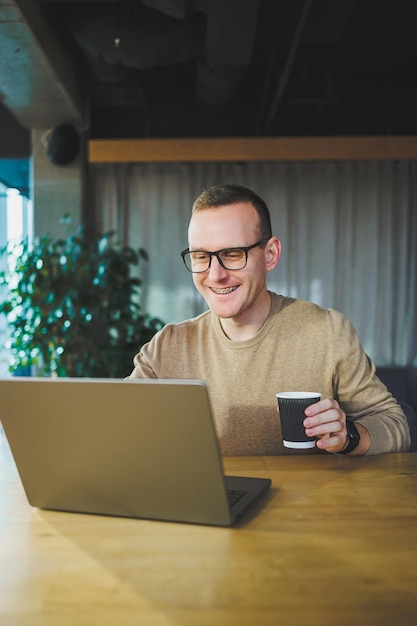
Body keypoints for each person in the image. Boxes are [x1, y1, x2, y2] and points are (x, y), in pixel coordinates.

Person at [129, 183, 410, 456]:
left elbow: (394, 424)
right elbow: (117, 430)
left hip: (311, 503)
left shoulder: (327, 332)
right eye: (201, 257)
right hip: (203, 502)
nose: (215, 275)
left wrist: (349, 436)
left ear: (271, 254)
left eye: (232, 254)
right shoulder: (166, 347)